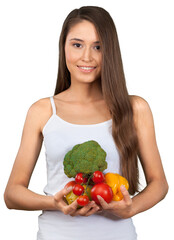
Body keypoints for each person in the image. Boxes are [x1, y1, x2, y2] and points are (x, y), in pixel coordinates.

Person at [4, 6, 168, 240]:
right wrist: (54, 202)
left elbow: (159, 183)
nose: (87, 57)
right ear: (64, 48)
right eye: (77, 44)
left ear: (110, 52)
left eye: (98, 47)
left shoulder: (135, 108)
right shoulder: (42, 111)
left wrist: (131, 208)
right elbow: (12, 194)